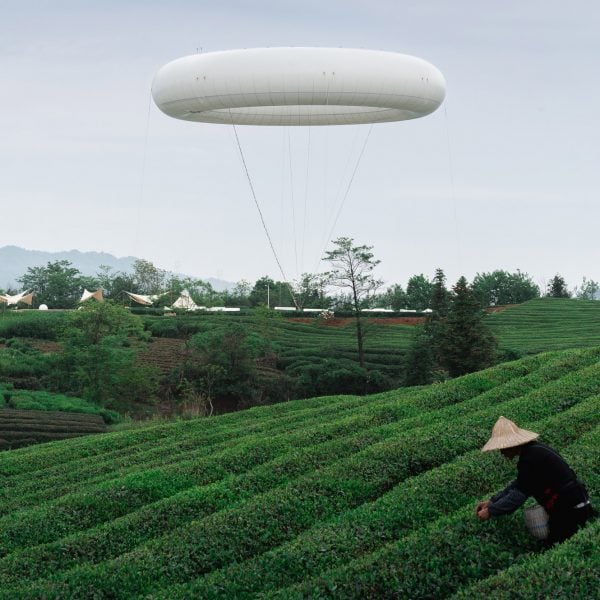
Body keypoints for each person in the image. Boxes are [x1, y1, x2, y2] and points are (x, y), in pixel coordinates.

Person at [475, 416, 594, 545]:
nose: (501, 452)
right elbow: (519, 484)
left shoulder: (530, 459)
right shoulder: (533, 452)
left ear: (512, 445)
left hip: (571, 507)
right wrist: (492, 501)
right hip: (574, 501)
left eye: (503, 448)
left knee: (558, 544)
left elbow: (518, 496)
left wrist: (491, 511)